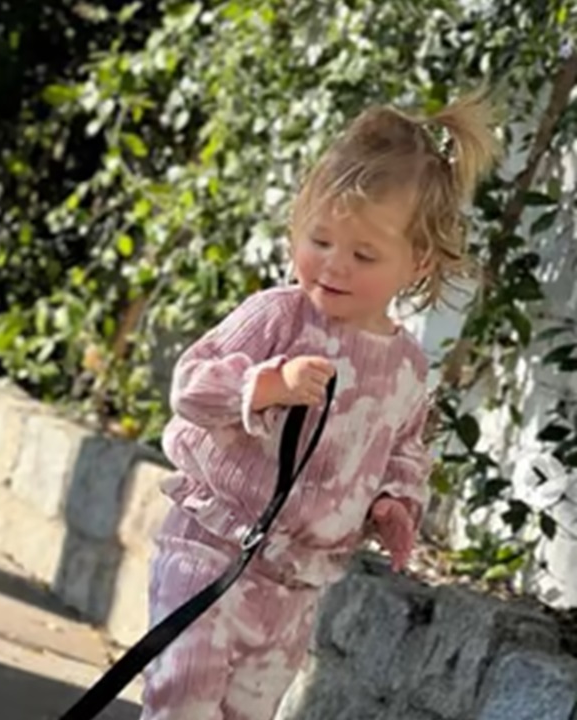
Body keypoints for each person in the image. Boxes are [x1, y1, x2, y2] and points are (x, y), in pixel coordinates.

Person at [141, 90, 501, 720]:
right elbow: (190, 387)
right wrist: (264, 385)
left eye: (363, 255)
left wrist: (394, 501)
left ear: (417, 263)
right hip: (210, 544)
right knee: (184, 694)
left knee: (244, 713)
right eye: (320, 240)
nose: (333, 265)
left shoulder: (407, 369)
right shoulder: (277, 317)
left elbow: (406, 452)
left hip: (295, 584)